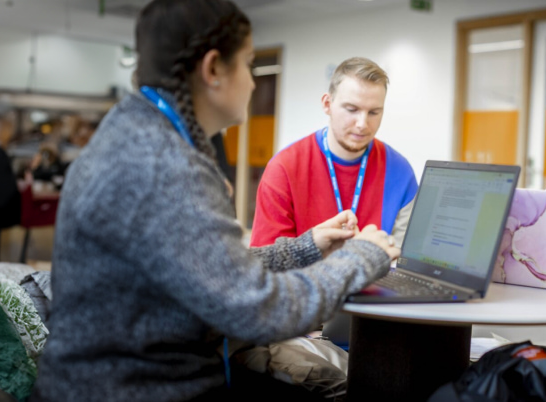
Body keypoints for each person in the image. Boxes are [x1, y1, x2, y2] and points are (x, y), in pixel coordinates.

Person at [30, 1, 399, 401]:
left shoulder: (137, 134)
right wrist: (360, 257)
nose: (254, 83)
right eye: (248, 64)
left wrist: (308, 246)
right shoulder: (163, 166)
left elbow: (216, 270)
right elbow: (259, 308)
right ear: (213, 70)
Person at [250, 57, 418, 248]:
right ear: (327, 104)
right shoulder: (284, 169)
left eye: (373, 112)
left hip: (377, 278)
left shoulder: (400, 172)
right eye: (352, 109)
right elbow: (266, 264)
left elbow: (403, 261)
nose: (362, 124)